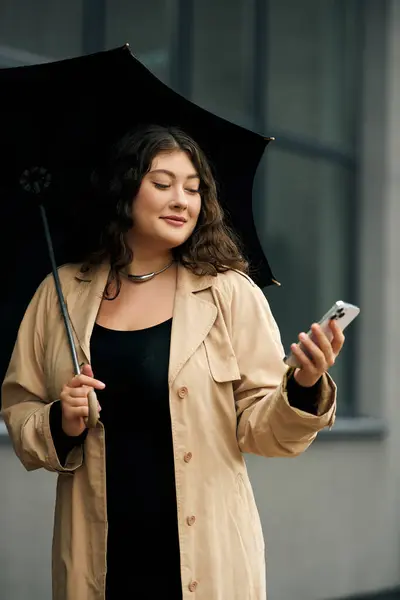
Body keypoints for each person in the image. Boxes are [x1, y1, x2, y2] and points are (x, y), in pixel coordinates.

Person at [1, 124, 344, 600]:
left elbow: (263, 433)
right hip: (98, 559)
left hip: (204, 557)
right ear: (125, 190)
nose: (182, 200)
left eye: (193, 188)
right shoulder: (60, 294)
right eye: (162, 184)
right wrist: (61, 421)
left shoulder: (228, 293)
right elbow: (19, 412)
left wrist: (303, 385)